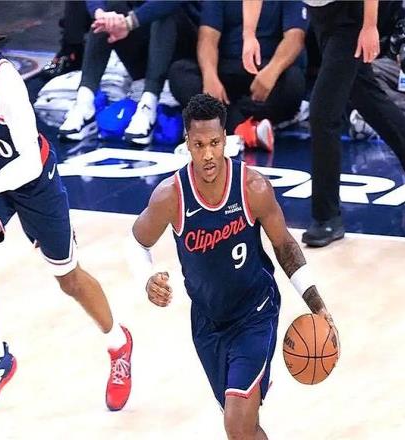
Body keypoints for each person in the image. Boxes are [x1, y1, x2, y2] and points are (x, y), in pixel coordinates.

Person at [0, 2, 132, 414]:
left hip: (34, 180)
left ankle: (118, 343)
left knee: (68, 278)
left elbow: (30, 162)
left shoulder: (5, 82)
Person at [129, 94, 339, 439]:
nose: (208, 154)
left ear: (225, 139)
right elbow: (138, 242)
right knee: (246, 430)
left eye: (214, 143)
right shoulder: (171, 196)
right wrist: (146, 277)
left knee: (236, 424)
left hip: (255, 314)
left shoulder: (253, 188)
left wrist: (316, 303)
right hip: (207, 322)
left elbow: (284, 245)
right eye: (199, 145)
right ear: (187, 142)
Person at [243, 0, 405, 247]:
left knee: (323, 112)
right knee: (366, 96)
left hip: (355, 12)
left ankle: (327, 217)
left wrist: (369, 26)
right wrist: (249, 35)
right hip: (322, 14)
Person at [168, 0, 308, 150]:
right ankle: (247, 129)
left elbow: (294, 38)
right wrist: (210, 76)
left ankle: (219, 121)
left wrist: (272, 71)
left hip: (266, 71)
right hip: (225, 69)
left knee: (294, 81)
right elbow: (208, 37)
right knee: (180, 71)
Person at [59, 0, 191, 145]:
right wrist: (100, 13)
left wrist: (129, 23)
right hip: (139, 42)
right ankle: (85, 103)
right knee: (109, 13)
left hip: (182, 52)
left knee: (164, 10)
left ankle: (149, 104)